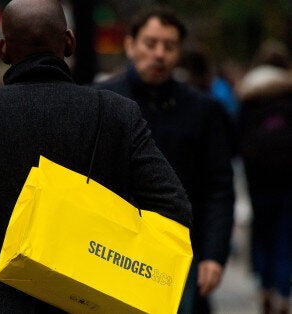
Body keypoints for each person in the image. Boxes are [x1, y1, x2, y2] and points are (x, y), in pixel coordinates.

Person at [0, 0, 192, 312]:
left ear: (3, 50)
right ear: (69, 43)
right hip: (91, 305)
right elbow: (174, 207)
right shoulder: (116, 113)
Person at [93, 6, 235, 314]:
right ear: (129, 45)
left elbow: (218, 188)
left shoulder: (203, 110)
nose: (159, 54)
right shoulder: (98, 100)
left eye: (169, 46)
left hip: (181, 252)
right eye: (150, 43)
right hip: (111, 250)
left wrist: (214, 253)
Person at [236, 39, 292, 314]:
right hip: (287, 180)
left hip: (257, 179)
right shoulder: (289, 91)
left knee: (262, 235)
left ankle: (265, 290)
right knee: (285, 236)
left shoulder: (248, 92)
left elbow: (239, 137)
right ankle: (284, 292)